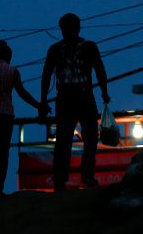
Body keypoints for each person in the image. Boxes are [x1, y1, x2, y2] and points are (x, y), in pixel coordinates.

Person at [41, 13, 110, 192]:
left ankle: (60, 179)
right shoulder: (89, 46)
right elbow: (100, 70)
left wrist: (42, 101)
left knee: (63, 140)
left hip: (64, 99)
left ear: (62, 29)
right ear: (79, 28)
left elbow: (46, 76)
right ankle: (87, 176)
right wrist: (104, 93)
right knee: (90, 138)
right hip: (85, 97)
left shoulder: (55, 49)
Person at [0, 40, 48, 199]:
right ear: (9, 57)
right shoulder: (13, 71)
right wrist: (39, 106)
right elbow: (22, 93)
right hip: (5, 116)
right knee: (3, 153)